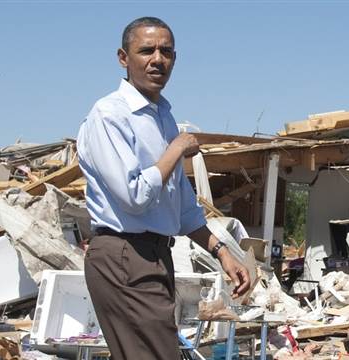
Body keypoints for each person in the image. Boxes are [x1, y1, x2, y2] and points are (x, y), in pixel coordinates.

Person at [77, 16, 251, 360]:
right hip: (125, 255)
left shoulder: (162, 117)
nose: (158, 59)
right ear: (123, 58)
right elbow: (134, 196)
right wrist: (177, 149)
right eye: (146, 50)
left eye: (166, 51)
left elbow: (182, 206)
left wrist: (221, 252)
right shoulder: (110, 115)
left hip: (155, 255)